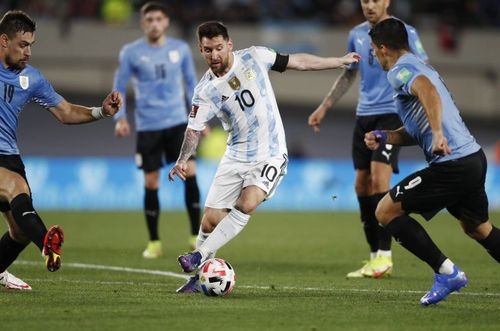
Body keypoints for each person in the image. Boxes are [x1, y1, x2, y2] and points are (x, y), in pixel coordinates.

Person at [168, 21, 360, 293]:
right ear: (200, 49)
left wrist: (338, 61)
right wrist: (182, 159)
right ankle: (197, 279)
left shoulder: (255, 56)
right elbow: (193, 130)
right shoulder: (204, 92)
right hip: (235, 155)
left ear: (229, 44)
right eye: (208, 50)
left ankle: (198, 257)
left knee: (248, 203)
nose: (214, 55)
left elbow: (299, 62)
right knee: (210, 220)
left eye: (219, 48)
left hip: (270, 153)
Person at [366, 18, 500, 305]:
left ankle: (446, 272)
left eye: (375, 51)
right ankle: (447, 271)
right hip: (471, 160)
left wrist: (438, 134)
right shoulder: (420, 65)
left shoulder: (401, 70)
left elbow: (427, 90)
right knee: (478, 228)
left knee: (385, 212)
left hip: (452, 164)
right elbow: (418, 126)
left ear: (384, 49)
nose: (375, 57)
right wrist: (386, 135)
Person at [0, 10, 122, 290]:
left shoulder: (32, 79)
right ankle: (46, 244)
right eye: (22, 44)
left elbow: (65, 112)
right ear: (4, 41)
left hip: (9, 154)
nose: (28, 51)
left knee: (18, 231)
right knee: (14, 186)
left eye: (31, 45)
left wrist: (101, 111)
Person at [308, 0, 428, 278]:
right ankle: (375, 254)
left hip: (391, 115)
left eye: (375, 0)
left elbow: (423, 69)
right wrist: (324, 106)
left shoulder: (405, 31)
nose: (369, 5)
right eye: (365, 1)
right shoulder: (357, 34)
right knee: (361, 185)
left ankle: (385, 255)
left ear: (387, 1)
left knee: (378, 179)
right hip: (363, 116)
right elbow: (349, 74)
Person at [113, 2, 201, 258]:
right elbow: (119, 84)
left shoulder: (180, 49)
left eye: (159, 19)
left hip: (177, 124)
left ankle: (196, 235)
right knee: (151, 182)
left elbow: (192, 84)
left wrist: (199, 119)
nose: (154, 23)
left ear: (166, 22)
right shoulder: (131, 52)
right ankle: (154, 242)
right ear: (143, 23)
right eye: (149, 19)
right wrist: (120, 117)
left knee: (190, 172)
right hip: (148, 126)